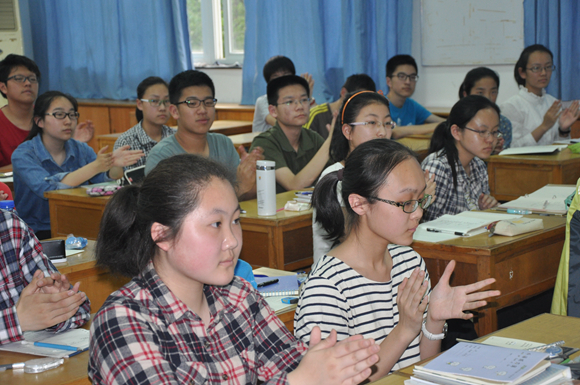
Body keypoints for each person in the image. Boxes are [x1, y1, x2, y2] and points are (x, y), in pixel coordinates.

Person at [89, 153, 381, 385]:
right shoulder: (122, 320)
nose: (232, 241)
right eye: (216, 224)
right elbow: (298, 378)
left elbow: (294, 365)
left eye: (236, 221)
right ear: (162, 235)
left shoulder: (239, 297)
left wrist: (328, 366)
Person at [296, 139, 500, 380]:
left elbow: (421, 364)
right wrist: (405, 329)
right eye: (406, 203)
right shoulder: (327, 288)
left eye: (420, 199)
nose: (418, 213)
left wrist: (434, 319)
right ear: (359, 203)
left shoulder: (408, 261)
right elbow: (337, 380)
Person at [312, 90, 436, 265]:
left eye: (387, 123)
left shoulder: (388, 172)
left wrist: (415, 200)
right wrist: (414, 202)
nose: (382, 132)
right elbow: (352, 236)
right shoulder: (336, 176)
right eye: (371, 123)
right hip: (344, 269)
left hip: (379, 263)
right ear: (348, 131)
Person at [11, 91, 143, 239]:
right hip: (36, 231)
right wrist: (96, 166)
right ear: (39, 121)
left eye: (72, 115)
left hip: (79, 226)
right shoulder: (23, 154)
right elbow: (48, 190)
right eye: (59, 114)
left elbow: (103, 180)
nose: (68, 121)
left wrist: (115, 164)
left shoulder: (81, 149)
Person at [145, 70, 263, 200]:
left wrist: (252, 175)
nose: (202, 110)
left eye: (208, 102)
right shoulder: (162, 156)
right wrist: (241, 188)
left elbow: (245, 196)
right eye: (192, 103)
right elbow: (174, 209)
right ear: (174, 111)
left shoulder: (224, 144)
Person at [0, 208, 90, 345]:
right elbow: (22, 319)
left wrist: (55, 303)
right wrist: (17, 321)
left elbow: (81, 310)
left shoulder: (10, 225)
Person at [0, 54, 94, 167]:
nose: (28, 83)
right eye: (19, 79)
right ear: (3, 87)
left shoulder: (52, 116)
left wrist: (74, 145)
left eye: (32, 79)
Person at [421, 95, 500, 222]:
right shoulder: (437, 166)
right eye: (482, 131)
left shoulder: (479, 165)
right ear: (456, 132)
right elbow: (424, 221)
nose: (490, 139)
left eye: (495, 131)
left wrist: (485, 207)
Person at [249, 75, 331, 193]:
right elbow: (294, 185)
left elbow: (337, 172)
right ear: (273, 111)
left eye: (304, 100)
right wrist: (330, 143)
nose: (300, 107)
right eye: (289, 102)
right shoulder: (264, 143)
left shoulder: (313, 138)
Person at [501, 44, 580, 147]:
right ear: (522, 73)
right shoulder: (511, 106)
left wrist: (563, 130)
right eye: (536, 68)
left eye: (548, 67)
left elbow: (561, 148)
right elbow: (510, 147)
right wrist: (544, 127)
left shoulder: (553, 102)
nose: (544, 73)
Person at [113, 76, 175, 178]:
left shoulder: (177, 137)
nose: (163, 108)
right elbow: (121, 183)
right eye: (154, 101)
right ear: (140, 104)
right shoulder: (127, 142)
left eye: (167, 101)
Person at [385, 55, 444, 139]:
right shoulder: (379, 104)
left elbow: (438, 120)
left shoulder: (412, 105)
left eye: (412, 77)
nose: (408, 82)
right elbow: (395, 131)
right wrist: (442, 125)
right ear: (389, 81)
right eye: (402, 76)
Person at [252, 55, 315, 133]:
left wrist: (307, 96)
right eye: (276, 77)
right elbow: (282, 126)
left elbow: (316, 120)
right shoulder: (263, 101)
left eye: (286, 75)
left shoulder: (300, 99)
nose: (282, 81)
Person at [459, 67, 512, 153]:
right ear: (466, 94)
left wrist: (497, 152)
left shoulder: (504, 123)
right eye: (480, 92)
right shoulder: (459, 122)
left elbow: (504, 159)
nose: (488, 97)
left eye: (493, 92)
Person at [306, 74, 376, 139]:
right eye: (357, 100)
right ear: (344, 93)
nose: (361, 107)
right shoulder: (316, 115)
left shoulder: (362, 120)